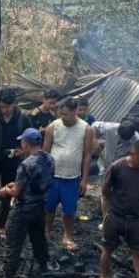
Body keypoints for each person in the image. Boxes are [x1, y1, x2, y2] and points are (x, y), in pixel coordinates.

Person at [97, 140, 139, 278]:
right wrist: (112, 208)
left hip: (136, 218)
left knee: (138, 252)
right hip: (115, 216)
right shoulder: (117, 167)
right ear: (132, 153)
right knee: (107, 248)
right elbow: (105, 189)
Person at [0, 128, 56, 278]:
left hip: (22, 210)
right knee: (39, 238)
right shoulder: (50, 158)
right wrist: (15, 185)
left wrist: (6, 190)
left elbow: (16, 191)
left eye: (22, 142)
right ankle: (44, 266)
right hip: (40, 207)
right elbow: (36, 182)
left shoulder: (26, 164)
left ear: (25, 143)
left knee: (13, 242)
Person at [43, 98, 94, 251]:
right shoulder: (53, 127)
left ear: (74, 111)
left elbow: (87, 155)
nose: (63, 117)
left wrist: (84, 179)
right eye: (61, 114)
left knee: (69, 210)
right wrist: (43, 176)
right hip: (53, 176)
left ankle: (67, 236)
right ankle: (46, 233)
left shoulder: (86, 129)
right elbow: (45, 152)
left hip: (72, 177)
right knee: (49, 207)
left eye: (66, 114)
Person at [0, 88, 28, 239]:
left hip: (13, 160)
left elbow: (30, 139)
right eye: (1, 106)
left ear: (14, 103)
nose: (4, 110)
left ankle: (2, 225)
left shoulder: (23, 119)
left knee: (9, 190)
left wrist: (22, 151)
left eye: (7, 107)